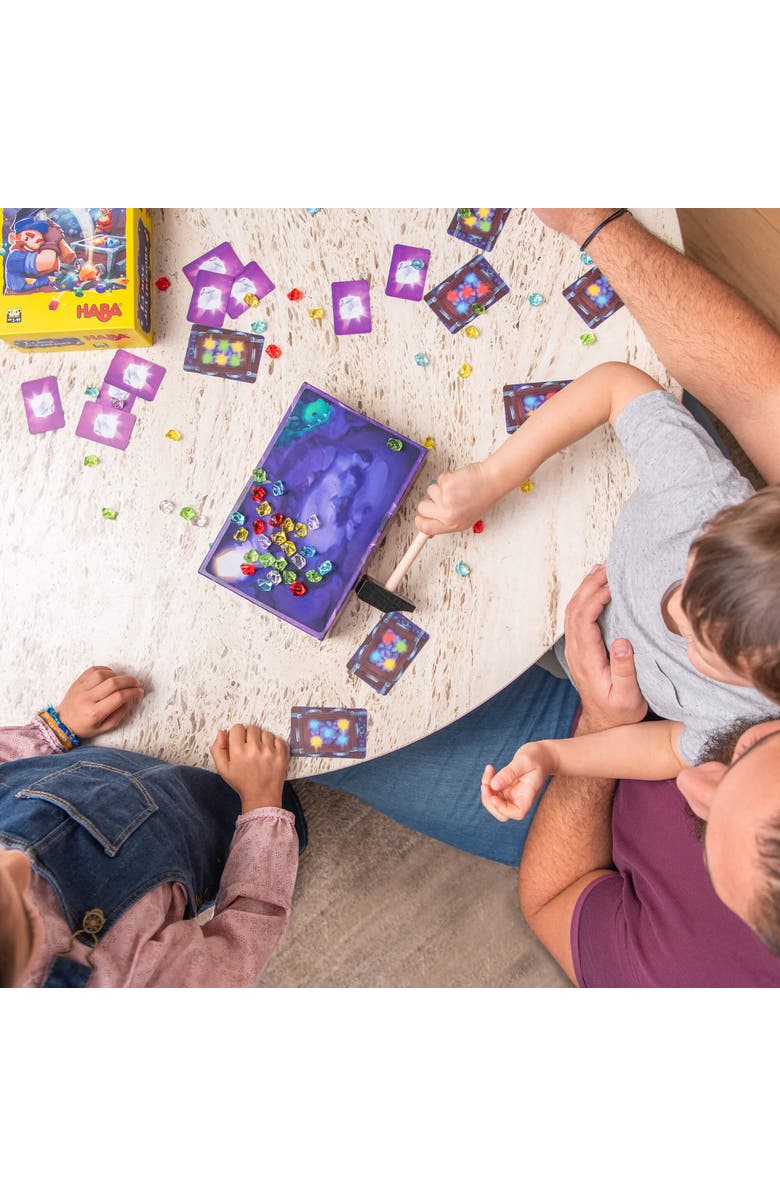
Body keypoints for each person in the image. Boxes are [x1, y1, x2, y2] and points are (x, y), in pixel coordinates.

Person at [308, 207, 780, 985]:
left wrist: (572, 746)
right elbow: (700, 395)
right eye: (753, 752)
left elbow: (666, 757)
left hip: (599, 733)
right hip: (602, 603)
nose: (696, 775)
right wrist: (495, 477)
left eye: (705, 819)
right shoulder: (701, 504)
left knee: (330, 730)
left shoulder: (726, 729)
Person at [415, 357, 780, 779]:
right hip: (567, 520)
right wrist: (493, 476)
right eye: (691, 577)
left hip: (552, 646)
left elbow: (667, 748)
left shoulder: (751, 720)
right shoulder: (701, 493)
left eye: (700, 645)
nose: (674, 612)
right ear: (718, 523)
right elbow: (615, 385)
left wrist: (554, 756)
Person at [0, 666, 304, 988]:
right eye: (24, 912)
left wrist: (56, 727)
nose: (20, 860)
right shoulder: (133, 982)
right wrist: (262, 803)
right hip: (226, 801)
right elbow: (245, 941)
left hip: (109, 742)